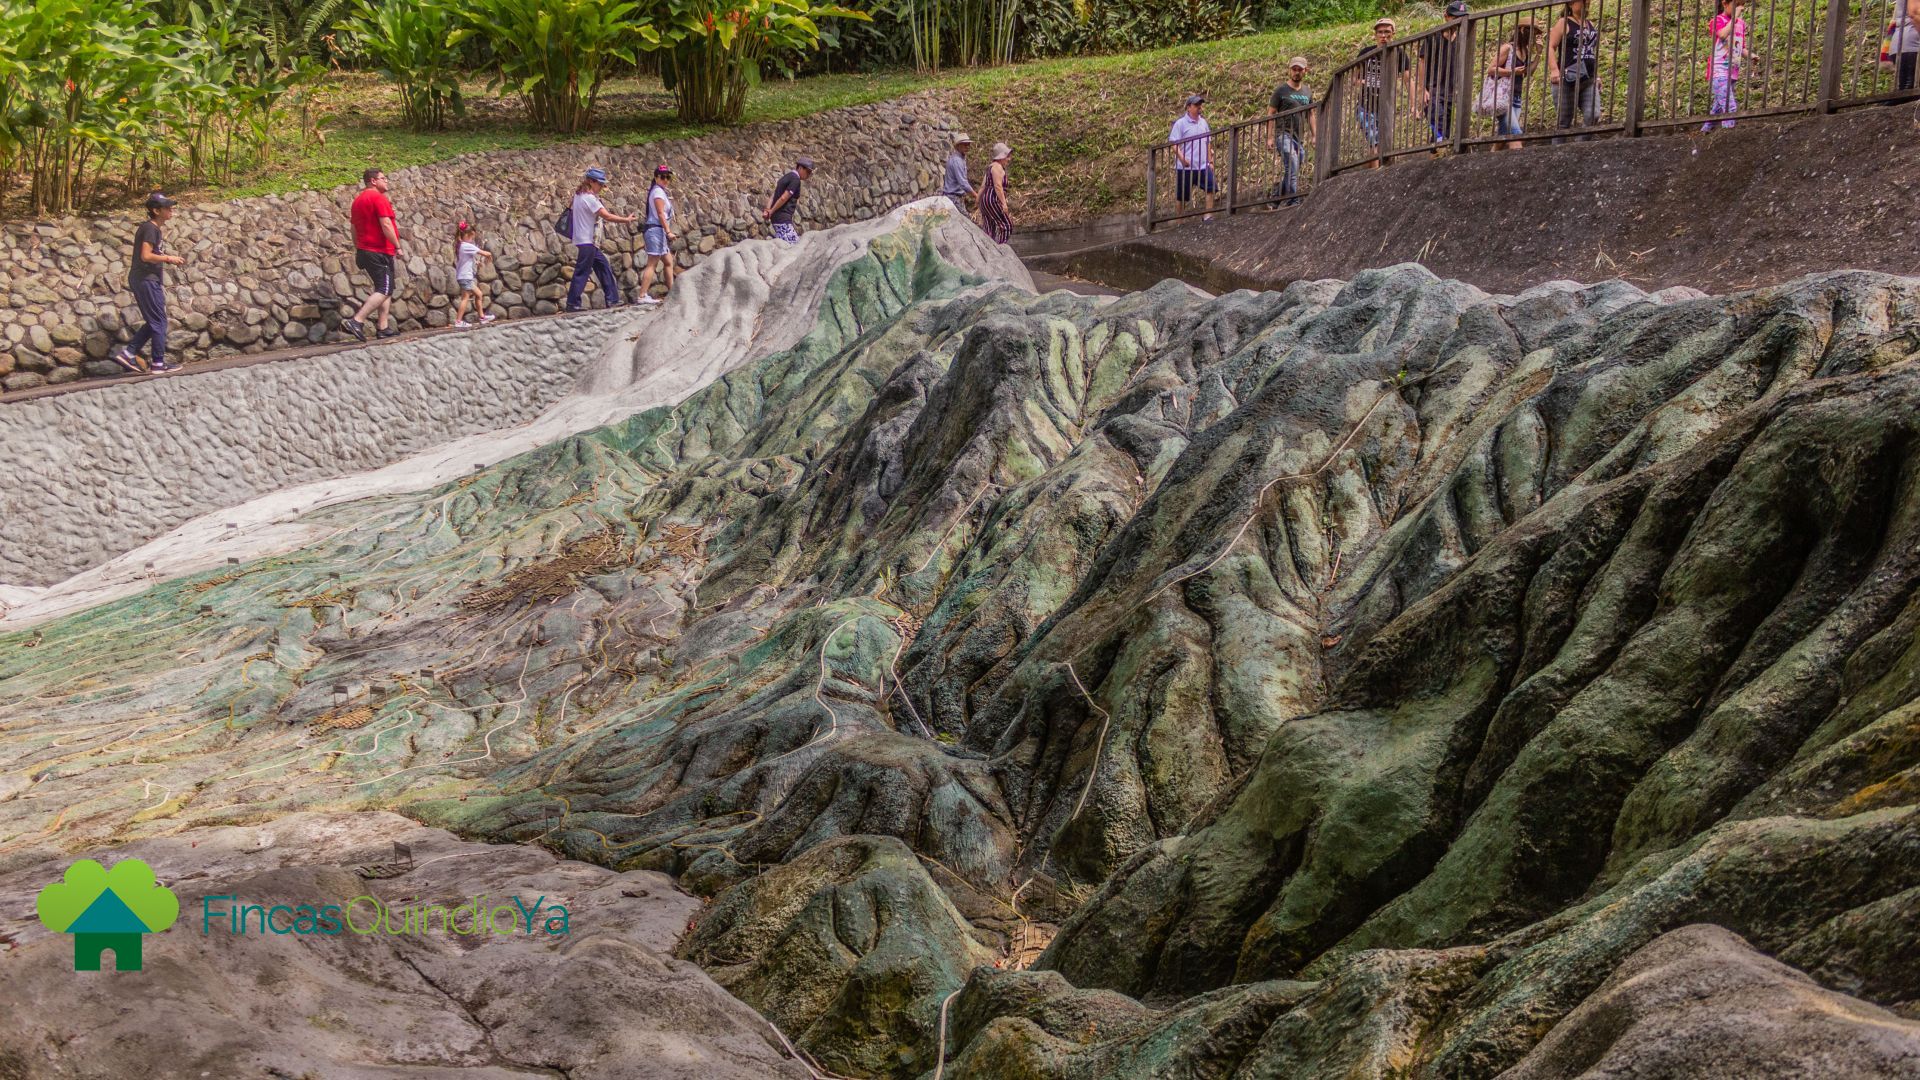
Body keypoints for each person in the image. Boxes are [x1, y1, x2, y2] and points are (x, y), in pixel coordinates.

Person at [110, 192, 186, 374]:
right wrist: (168, 258)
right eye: (167, 208)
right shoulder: (150, 229)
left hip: (145, 279)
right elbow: (146, 255)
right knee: (159, 321)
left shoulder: (152, 229)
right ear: (155, 210)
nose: (171, 210)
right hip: (146, 279)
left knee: (154, 321)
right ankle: (158, 363)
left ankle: (129, 353)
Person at [565, 166, 638, 312]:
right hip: (587, 240)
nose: (602, 187)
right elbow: (607, 216)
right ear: (591, 182)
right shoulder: (590, 199)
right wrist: (626, 220)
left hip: (585, 240)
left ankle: (612, 299)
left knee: (603, 267)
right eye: (600, 184)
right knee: (582, 272)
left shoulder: (578, 195)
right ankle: (573, 303)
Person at [344, 167, 402, 341]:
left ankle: (382, 327)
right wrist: (397, 245)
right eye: (383, 178)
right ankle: (357, 320)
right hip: (378, 250)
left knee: (385, 287)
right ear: (373, 181)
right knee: (384, 288)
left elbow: (353, 228)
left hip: (366, 250)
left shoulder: (358, 201)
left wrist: (358, 247)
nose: (387, 181)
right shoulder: (378, 198)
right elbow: (386, 225)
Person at [1355, 18, 1411, 166]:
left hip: (1385, 108)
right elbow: (1355, 78)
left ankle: (1369, 172)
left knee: (1380, 143)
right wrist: (1364, 82)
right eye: (1380, 32)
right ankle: (1375, 179)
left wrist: (1414, 102)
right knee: (1375, 141)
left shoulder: (1399, 54)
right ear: (1375, 34)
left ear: (1393, 33)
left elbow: (1407, 80)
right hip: (1365, 105)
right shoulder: (1366, 53)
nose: (1383, 35)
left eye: (1387, 32)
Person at [1417, 2, 1470, 149]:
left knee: (1443, 133)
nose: (1459, 21)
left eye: (1462, 18)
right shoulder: (1433, 37)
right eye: (1455, 17)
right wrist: (1422, 90)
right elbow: (1422, 62)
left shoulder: (1462, 39)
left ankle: (1434, 159)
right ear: (1446, 17)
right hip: (1433, 90)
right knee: (1438, 124)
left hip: (1450, 91)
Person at [1549, 0, 1601, 142]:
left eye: (1587, 1)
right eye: (1582, 1)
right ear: (1571, 4)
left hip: (1588, 78)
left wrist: (1597, 75)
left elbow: (1590, 51)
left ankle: (1578, 148)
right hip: (1567, 78)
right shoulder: (1564, 22)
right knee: (1564, 121)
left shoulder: (1589, 24)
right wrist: (1554, 70)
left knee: (1593, 115)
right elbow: (1551, 46)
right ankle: (1557, 156)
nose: (1586, 3)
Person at [1270, 57, 1317, 206]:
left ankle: (1276, 198)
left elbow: (1311, 114)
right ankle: (1294, 200)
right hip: (1283, 134)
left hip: (1298, 136)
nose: (1296, 72)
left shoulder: (1307, 91)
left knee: (1294, 166)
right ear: (1289, 70)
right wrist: (1270, 137)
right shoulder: (1281, 90)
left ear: (1305, 71)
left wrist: (1315, 135)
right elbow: (1271, 113)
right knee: (1293, 161)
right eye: (1294, 69)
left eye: (1300, 70)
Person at [1700, 0, 1753, 131]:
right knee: (1730, 106)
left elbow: (1741, 47)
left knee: (1718, 107)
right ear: (1725, 4)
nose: (1740, 8)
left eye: (1742, 5)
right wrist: (1734, 18)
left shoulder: (1741, 24)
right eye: (1736, 5)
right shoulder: (1717, 21)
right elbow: (1723, 35)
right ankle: (1728, 136)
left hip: (1733, 71)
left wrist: (1751, 55)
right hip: (1718, 72)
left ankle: (1706, 130)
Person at [1488, 20, 1539, 150]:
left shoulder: (1525, 51)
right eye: (1532, 33)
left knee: (1503, 136)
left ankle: (1488, 160)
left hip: (1516, 98)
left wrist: (1538, 54)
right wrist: (1512, 72)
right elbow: (1491, 69)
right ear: (1522, 31)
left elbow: (1528, 72)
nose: (1533, 37)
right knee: (1515, 136)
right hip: (1504, 98)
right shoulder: (1507, 48)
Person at [1169, 94, 1217, 220]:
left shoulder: (1203, 123)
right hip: (1185, 167)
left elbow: (1208, 142)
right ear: (1188, 107)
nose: (1199, 107)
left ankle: (1208, 216)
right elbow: (1174, 143)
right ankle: (1180, 220)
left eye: (1200, 105)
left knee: (1211, 187)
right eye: (1196, 105)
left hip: (1202, 165)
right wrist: (1182, 159)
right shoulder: (1180, 124)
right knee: (1182, 196)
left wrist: (1210, 161)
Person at [635, 164, 676, 307]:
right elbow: (660, 214)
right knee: (652, 263)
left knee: (668, 262)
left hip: (658, 231)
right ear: (656, 177)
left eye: (668, 177)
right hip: (656, 230)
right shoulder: (658, 192)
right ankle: (642, 295)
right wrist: (668, 231)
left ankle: (673, 292)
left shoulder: (660, 191)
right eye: (663, 177)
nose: (666, 179)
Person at [451, 221, 495, 329]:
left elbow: (466, 260)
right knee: (465, 297)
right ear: (467, 235)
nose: (472, 240)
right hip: (465, 276)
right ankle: (458, 321)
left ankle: (482, 318)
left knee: (479, 294)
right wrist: (489, 255)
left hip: (465, 276)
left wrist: (476, 263)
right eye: (472, 237)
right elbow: (484, 253)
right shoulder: (466, 245)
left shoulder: (461, 245)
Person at [764, 156, 814, 244]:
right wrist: (771, 211)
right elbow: (784, 197)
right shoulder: (795, 179)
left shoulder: (786, 177)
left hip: (776, 218)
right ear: (800, 167)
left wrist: (768, 210)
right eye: (808, 171)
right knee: (793, 246)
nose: (808, 175)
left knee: (785, 246)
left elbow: (773, 195)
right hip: (783, 218)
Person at [979, 143, 1014, 244]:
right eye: (1007, 156)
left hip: (985, 200)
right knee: (1007, 226)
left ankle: (989, 249)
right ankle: (1001, 249)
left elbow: (983, 186)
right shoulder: (997, 167)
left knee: (990, 229)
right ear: (1001, 156)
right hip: (993, 199)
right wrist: (1004, 203)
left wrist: (978, 201)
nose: (1009, 159)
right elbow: (998, 186)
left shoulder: (990, 167)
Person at [942, 134, 976, 217]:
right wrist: (976, 195)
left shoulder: (960, 159)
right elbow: (963, 183)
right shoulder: (957, 161)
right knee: (966, 221)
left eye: (968, 145)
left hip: (956, 197)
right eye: (965, 145)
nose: (967, 147)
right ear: (958, 145)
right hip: (953, 197)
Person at [1896, 0, 1920, 95]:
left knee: (1905, 89)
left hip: (1902, 43)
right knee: (1909, 91)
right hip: (1911, 44)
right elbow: (1914, 12)